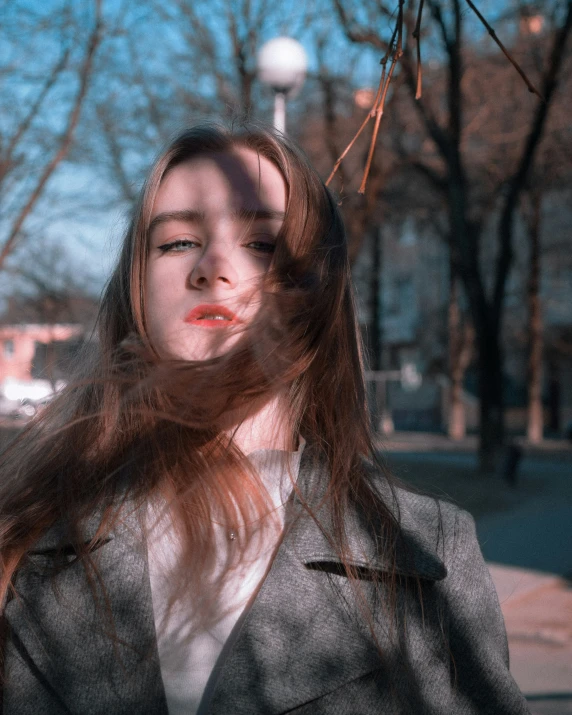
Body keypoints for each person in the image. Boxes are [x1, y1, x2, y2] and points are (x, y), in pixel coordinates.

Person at [0, 125, 530, 714]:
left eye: (263, 244)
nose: (213, 265)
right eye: (176, 242)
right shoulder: (26, 539)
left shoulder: (428, 549)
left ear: (319, 292)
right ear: (136, 291)